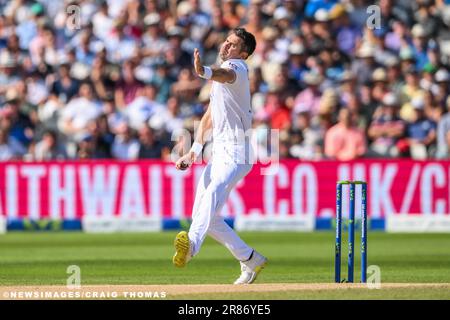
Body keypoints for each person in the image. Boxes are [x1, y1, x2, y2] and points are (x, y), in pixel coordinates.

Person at [172, 28, 267, 285]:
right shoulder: (221, 79)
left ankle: (191, 246)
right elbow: (210, 117)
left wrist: (204, 71)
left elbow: (226, 74)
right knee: (207, 216)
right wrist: (193, 151)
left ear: (243, 53)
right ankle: (250, 259)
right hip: (221, 151)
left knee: (213, 192)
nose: (226, 47)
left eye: (233, 45)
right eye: (226, 41)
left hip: (238, 151)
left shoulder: (238, 68)